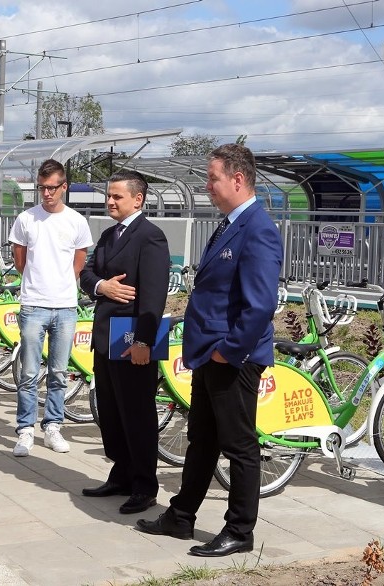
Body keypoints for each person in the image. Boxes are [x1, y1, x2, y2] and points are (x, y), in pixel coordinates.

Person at [136, 144, 283, 556]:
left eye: (213, 178)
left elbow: (260, 306)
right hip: (210, 354)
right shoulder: (229, 224)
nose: (207, 186)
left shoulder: (258, 229)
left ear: (238, 180)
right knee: (201, 439)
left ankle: (240, 531)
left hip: (232, 358)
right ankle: (182, 516)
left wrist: (229, 351)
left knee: (239, 446)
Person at [79, 170, 170, 515]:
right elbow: (87, 273)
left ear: (138, 199)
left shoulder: (151, 237)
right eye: (109, 195)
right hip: (105, 336)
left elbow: (154, 295)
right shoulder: (107, 235)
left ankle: (145, 485)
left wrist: (145, 341)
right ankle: (122, 473)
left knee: (137, 413)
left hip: (134, 337)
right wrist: (102, 287)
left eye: (117, 196)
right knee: (112, 411)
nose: (110, 201)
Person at [8, 159, 93, 457]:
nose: (46, 193)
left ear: (64, 187)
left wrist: (62, 285)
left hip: (66, 307)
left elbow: (79, 261)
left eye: (52, 188)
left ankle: (53, 425)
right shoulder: (26, 219)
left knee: (59, 371)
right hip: (33, 304)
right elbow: (21, 261)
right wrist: (38, 284)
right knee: (29, 372)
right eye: (42, 188)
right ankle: (25, 429)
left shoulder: (76, 221)